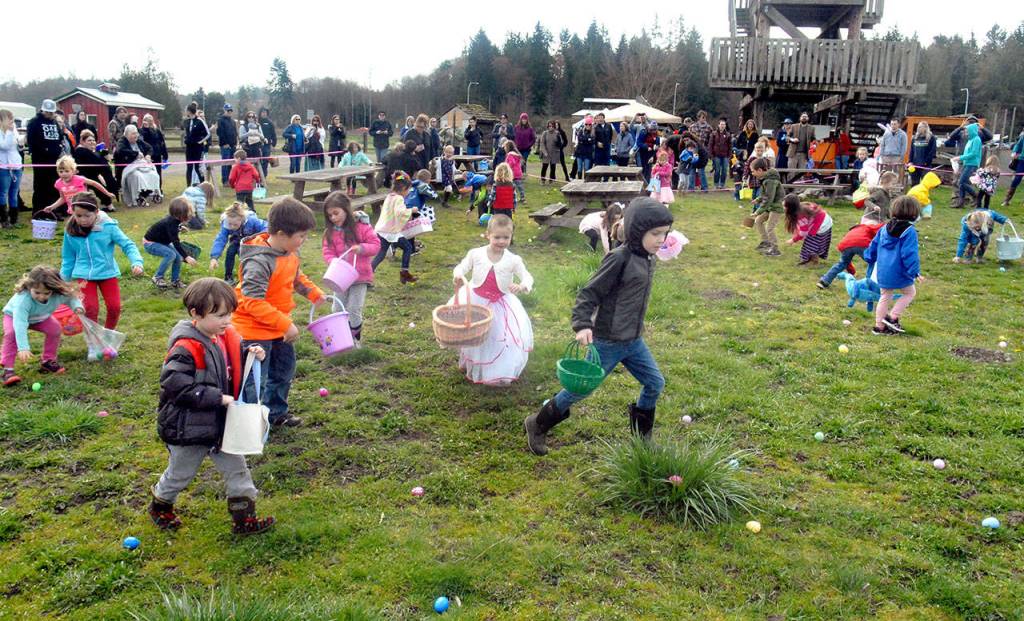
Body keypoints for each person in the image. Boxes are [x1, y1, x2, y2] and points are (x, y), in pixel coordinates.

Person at [525, 198, 673, 455]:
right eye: (656, 233)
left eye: (665, 233)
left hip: (633, 341)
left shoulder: (648, 257)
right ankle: (537, 424)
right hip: (608, 341)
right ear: (638, 231)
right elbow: (589, 293)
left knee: (655, 383)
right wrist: (582, 324)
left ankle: (642, 439)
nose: (662, 239)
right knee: (579, 390)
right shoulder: (619, 258)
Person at [150, 278, 274, 536]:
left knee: (237, 468)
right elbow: (175, 385)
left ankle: (244, 519)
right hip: (189, 429)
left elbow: (225, 367)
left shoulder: (219, 337)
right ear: (195, 314)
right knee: (180, 474)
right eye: (219, 315)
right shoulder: (186, 347)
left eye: (229, 314)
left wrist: (249, 353)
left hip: (219, 425)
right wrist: (216, 398)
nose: (227, 321)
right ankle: (161, 505)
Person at [234, 197, 326, 428]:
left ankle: (275, 413)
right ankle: (249, 424)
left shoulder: (288, 253)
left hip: (278, 327)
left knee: (283, 371)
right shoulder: (259, 261)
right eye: (301, 236)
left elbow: (296, 277)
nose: (304, 241)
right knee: (256, 381)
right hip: (254, 331)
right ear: (282, 234)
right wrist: (285, 324)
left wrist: (314, 293)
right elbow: (252, 302)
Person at [451, 214, 533, 385]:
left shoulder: (513, 260)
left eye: (506, 237)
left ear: (511, 237)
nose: (501, 241)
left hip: (500, 303)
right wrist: (458, 274)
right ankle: (470, 361)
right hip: (476, 300)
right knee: (474, 334)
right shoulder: (476, 254)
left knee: (495, 336)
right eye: (497, 237)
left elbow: (526, 276)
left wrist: (523, 285)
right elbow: (462, 266)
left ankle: (496, 369)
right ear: (488, 234)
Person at [60, 192, 143, 328]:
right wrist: (63, 281)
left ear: (97, 212)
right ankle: (94, 339)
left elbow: (128, 245)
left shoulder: (108, 227)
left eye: (87, 215)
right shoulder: (70, 230)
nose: (83, 220)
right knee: (91, 308)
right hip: (84, 275)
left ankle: (107, 335)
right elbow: (68, 257)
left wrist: (137, 262)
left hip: (107, 272)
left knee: (114, 307)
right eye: (78, 216)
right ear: (72, 213)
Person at [2, 265, 85, 386]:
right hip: (14, 317)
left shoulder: (58, 293)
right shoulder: (23, 300)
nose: (41, 296)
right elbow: (20, 323)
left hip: (40, 318)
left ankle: (48, 361)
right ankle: (7, 369)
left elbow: (71, 298)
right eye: (37, 292)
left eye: (46, 293)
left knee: (55, 329)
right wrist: (23, 347)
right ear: (30, 286)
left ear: (54, 290)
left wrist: (77, 307)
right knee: (12, 333)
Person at [321, 192, 380, 345]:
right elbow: (327, 250)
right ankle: (343, 337)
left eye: (336, 213)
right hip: (340, 277)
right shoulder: (330, 232)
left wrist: (361, 248)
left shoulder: (361, 227)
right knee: (337, 309)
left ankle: (355, 339)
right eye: (330, 215)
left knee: (354, 309)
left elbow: (375, 245)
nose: (333, 218)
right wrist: (333, 261)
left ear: (346, 210)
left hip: (360, 276)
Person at [863, 196, 923, 335]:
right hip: (899, 271)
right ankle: (892, 317)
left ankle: (879, 327)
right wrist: (914, 272)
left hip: (883, 270)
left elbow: (874, 245)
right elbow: (909, 254)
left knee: (885, 296)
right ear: (914, 213)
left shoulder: (884, 228)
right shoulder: (910, 231)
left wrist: (869, 257)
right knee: (909, 293)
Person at [372, 172, 419, 284]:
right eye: (408, 190)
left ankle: (367, 275)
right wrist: (412, 210)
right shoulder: (399, 198)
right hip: (390, 231)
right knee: (408, 247)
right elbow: (399, 212)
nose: (408, 193)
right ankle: (404, 272)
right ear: (403, 188)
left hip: (382, 229)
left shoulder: (389, 196)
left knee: (381, 253)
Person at [817, 210, 883, 289]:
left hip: (844, 245)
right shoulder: (868, 226)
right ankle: (870, 285)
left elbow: (847, 263)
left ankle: (824, 281)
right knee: (873, 261)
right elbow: (880, 228)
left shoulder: (855, 229)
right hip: (861, 243)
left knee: (842, 263)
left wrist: (852, 272)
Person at [144, 197, 198, 289]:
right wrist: (187, 256)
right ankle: (157, 277)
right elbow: (176, 242)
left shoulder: (174, 221)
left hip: (162, 242)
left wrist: (179, 228)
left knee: (178, 257)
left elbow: (170, 230)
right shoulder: (171, 223)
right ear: (180, 214)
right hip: (150, 243)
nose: (189, 216)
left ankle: (175, 281)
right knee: (171, 254)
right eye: (187, 214)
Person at [209, 202, 267, 284]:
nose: (232, 227)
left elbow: (266, 227)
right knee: (230, 252)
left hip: (249, 243)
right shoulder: (226, 224)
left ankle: (247, 277)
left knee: (243, 255)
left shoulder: (252, 221)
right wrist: (214, 257)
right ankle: (228, 277)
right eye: (230, 224)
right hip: (235, 241)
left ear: (242, 220)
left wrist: (259, 238)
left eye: (235, 224)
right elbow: (220, 240)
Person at [42, 155, 116, 218]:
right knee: (76, 230)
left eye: (67, 171)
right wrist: (52, 207)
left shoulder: (80, 179)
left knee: (93, 225)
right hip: (74, 211)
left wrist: (107, 193)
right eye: (61, 172)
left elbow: (95, 184)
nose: (64, 174)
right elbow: (62, 198)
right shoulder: (58, 183)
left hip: (87, 207)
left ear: (73, 171)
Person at [26, 99, 64, 210]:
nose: (50, 115)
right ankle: (38, 210)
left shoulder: (54, 122)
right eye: (48, 112)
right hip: (40, 159)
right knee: (40, 186)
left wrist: (58, 147)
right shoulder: (34, 122)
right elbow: (31, 140)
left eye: (52, 112)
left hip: (54, 159)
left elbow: (60, 136)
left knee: (54, 185)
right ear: (43, 110)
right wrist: (42, 150)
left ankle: (53, 210)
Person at [784, 196, 833, 267]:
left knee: (811, 244)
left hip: (822, 225)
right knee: (811, 241)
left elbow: (803, 232)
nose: (783, 207)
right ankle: (811, 260)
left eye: (785, 206)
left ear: (791, 208)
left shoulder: (800, 214)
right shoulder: (801, 206)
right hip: (826, 220)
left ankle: (813, 262)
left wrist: (793, 240)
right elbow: (802, 227)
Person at [750, 158, 783, 257]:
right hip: (770, 207)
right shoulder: (766, 179)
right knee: (758, 221)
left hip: (776, 207)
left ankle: (775, 249)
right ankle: (766, 242)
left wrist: (758, 211)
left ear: (760, 170)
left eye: (753, 171)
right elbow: (766, 194)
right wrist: (758, 199)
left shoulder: (770, 181)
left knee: (770, 227)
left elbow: (769, 198)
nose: (752, 173)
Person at [0, 109, 24, 227]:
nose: (12, 121)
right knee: (3, 192)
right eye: (10, 118)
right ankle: (4, 219)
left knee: (14, 192)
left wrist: (20, 144)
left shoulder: (13, 130)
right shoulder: (4, 132)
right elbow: (4, 146)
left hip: (16, 164)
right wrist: (9, 133)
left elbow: (16, 146)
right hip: (4, 165)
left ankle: (14, 218)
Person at [113, 124, 153, 190]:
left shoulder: (138, 141)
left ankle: (151, 190)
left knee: (153, 174)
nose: (136, 135)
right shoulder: (122, 141)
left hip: (141, 165)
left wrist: (148, 155)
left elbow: (150, 148)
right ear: (127, 135)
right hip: (128, 167)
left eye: (137, 133)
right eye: (133, 134)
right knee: (137, 176)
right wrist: (136, 154)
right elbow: (121, 150)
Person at [953, 122, 982, 208]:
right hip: (967, 164)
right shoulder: (970, 140)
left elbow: (973, 153)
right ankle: (960, 202)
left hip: (972, 164)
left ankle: (976, 196)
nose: (966, 133)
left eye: (967, 131)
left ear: (972, 131)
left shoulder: (977, 139)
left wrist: (960, 158)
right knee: (962, 183)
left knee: (961, 182)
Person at [183, 102, 210, 185]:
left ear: (189, 111)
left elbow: (208, 134)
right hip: (189, 148)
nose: (185, 112)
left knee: (198, 168)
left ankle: (203, 185)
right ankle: (188, 186)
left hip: (198, 148)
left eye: (186, 110)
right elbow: (186, 132)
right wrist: (186, 139)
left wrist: (200, 142)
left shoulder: (200, 121)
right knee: (189, 168)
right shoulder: (186, 121)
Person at [140, 115, 168, 189]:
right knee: (149, 173)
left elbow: (162, 142)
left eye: (151, 120)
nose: (150, 121)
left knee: (158, 173)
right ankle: (150, 189)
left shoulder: (157, 130)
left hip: (157, 154)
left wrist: (165, 154)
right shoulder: (143, 131)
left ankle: (158, 188)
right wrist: (146, 128)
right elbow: (144, 140)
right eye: (148, 120)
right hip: (149, 155)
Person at [215, 104, 239, 185]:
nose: (230, 112)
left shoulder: (232, 121)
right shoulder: (220, 120)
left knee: (231, 164)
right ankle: (225, 180)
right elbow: (220, 133)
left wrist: (235, 143)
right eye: (228, 110)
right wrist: (224, 143)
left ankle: (230, 179)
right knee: (225, 163)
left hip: (233, 145)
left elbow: (235, 133)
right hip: (225, 146)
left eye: (231, 110)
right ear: (224, 111)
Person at [786, 113, 814, 180]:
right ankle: (789, 188)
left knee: (801, 173)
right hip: (793, 153)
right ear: (800, 118)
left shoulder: (811, 128)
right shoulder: (793, 126)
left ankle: (799, 190)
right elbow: (787, 137)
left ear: (808, 118)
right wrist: (792, 139)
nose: (804, 118)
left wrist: (815, 143)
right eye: (803, 116)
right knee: (791, 172)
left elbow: (813, 139)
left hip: (804, 154)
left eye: (806, 116)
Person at [908, 122, 936, 187]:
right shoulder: (915, 138)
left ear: (925, 128)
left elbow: (932, 151)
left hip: (925, 165)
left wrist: (926, 162)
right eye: (918, 127)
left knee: (925, 183)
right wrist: (910, 161)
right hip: (915, 164)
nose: (919, 128)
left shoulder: (931, 138)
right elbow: (912, 151)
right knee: (914, 183)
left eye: (921, 127)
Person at [708, 119, 732, 190]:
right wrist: (711, 154)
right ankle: (716, 184)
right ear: (718, 125)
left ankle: (722, 184)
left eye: (724, 124)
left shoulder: (728, 134)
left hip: (725, 155)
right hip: (716, 155)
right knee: (717, 170)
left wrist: (729, 155)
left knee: (724, 170)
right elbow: (710, 145)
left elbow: (730, 146)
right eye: (721, 124)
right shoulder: (714, 134)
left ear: (725, 126)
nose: (722, 126)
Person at [1003, 130, 1024, 207]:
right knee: (1016, 179)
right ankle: (1007, 200)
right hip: (1022, 160)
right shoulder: (1023, 137)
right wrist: (1014, 153)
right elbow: (1018, 145)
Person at [538, 120, 561, 185]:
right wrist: (544, 152)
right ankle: (543, 180)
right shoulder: (545, 133)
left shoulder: (557, 133)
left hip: (554, 153)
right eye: (549, 126)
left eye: (552, 126)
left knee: (553, 168)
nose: (550, 127)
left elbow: (560, 144)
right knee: (544, 167)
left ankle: (551, 180)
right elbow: (542, 143)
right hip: (546, 153)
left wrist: (558, 140)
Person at [257, 108, 276, 179]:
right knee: (258, 161)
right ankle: (257, 177)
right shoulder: (257, 122)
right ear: (260, 113)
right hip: (257, 145)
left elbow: (273, 135)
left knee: (265, 162)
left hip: (267, 146)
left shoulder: (270, 123)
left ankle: (263, 177)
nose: (264, 114)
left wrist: (273, 144)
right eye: (262, 112)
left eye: (265, 112)